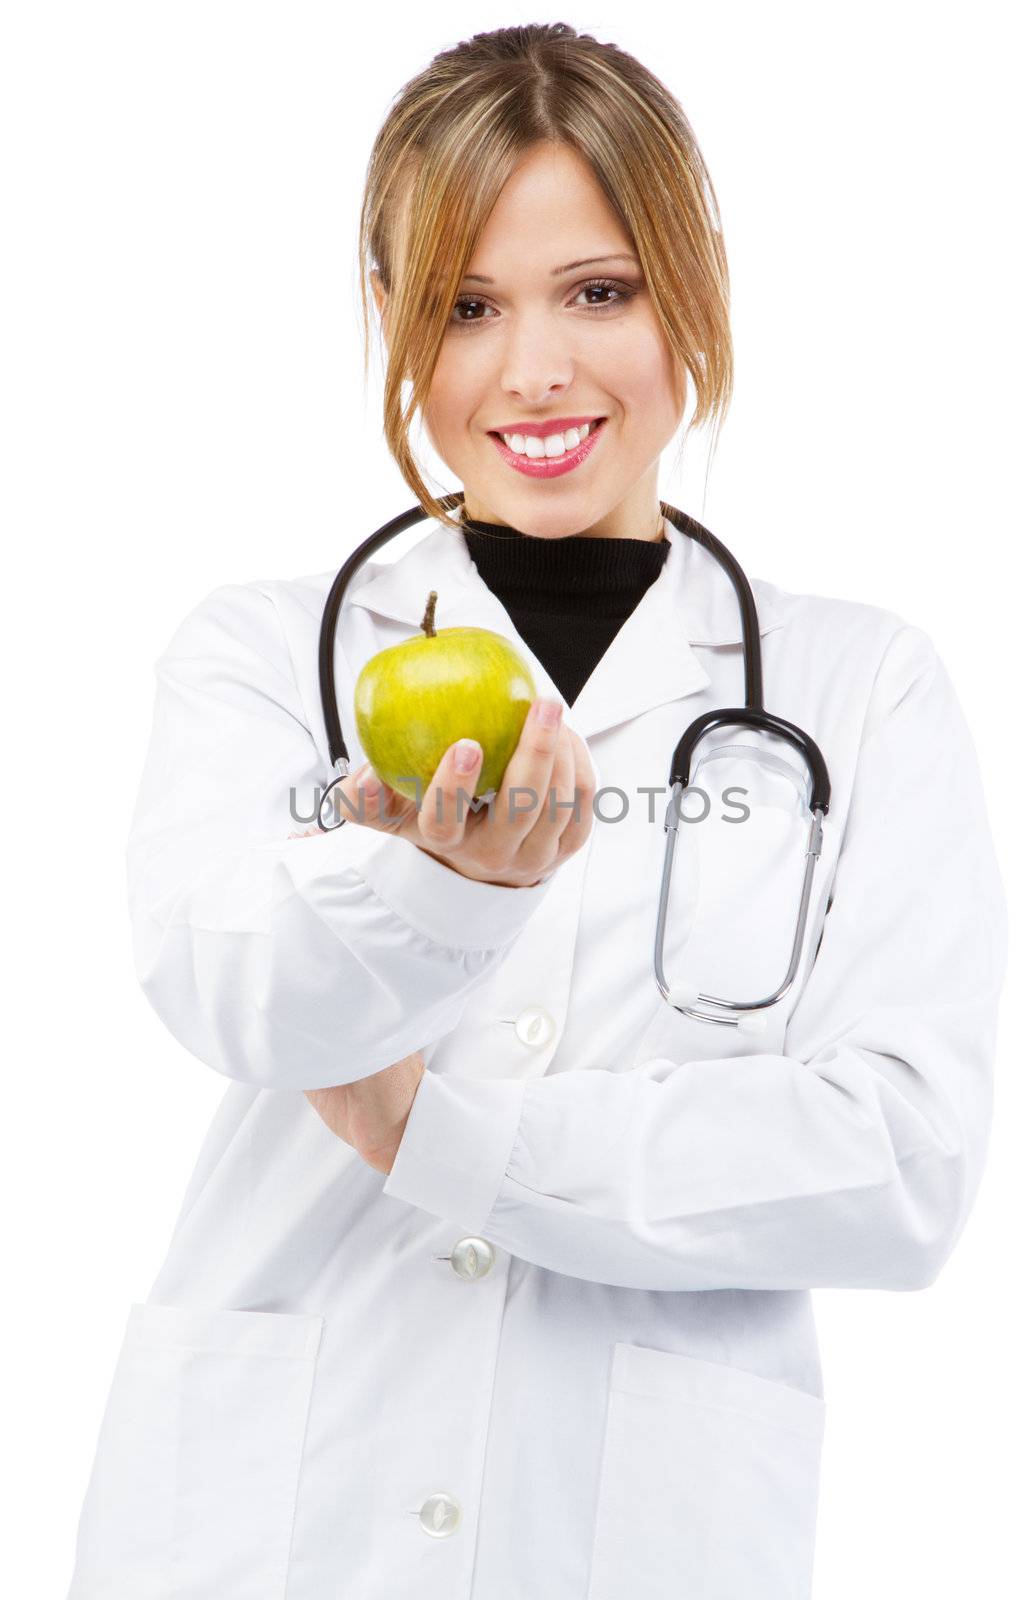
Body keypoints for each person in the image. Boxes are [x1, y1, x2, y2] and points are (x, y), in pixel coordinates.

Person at [65, 22, 1008, 1599]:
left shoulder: (863, 691)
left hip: (638, 1529)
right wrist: (442, 890)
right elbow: (226, 988)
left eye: (599, 291)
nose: (538, 370)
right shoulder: (263, 651)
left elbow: (899, 1165)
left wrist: (446, 1136)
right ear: (393, 322)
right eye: (468, 306)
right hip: (267, 1521)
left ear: (688, 287)